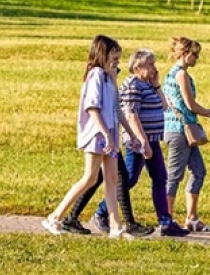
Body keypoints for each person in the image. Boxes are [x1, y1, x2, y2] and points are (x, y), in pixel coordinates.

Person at [42, 35, 140, 240]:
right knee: (90, 178)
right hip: (97, 133)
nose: (117, 62)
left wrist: (130, 133)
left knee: (112, 179)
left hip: (110, 133)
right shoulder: (95, 75)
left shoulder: (108, 78)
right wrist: (105, 133)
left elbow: (116, 109)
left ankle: (115, 227)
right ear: (103, 54)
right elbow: (93, 108)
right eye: (114, 56)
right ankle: (55, 216)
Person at [88, 49, 190, 237]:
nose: (154, 68)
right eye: (150, 64)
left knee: (160, 178)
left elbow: (165, 106)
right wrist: (142, 142)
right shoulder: (133, 85)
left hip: (152, 140)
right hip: (138, 142)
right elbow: (131, 116)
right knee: (129, 179)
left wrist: (157, 84)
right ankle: (102, 212)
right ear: (137, 67)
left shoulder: (147, 84)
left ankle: (165, 222)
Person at [163, 37, 210, 233]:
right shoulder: (180, 74)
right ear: (184, 54)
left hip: (187, 130)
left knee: (199, 171)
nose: (197, 58)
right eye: (194, 54)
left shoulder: (175, 74)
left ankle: (191, 217)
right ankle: (166, 218)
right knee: (174, 176)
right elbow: (190, 105)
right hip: (179, 130)